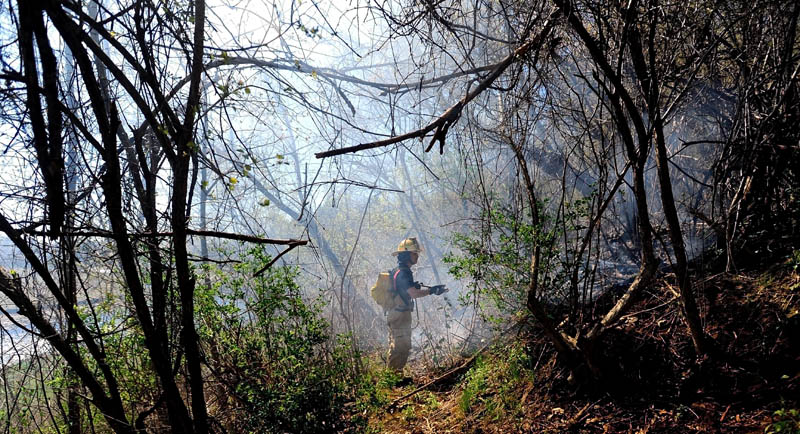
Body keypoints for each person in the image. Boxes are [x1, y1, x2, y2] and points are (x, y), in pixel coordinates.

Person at [386, 237, 448, 373]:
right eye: (415, 253)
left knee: (398, 344)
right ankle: (393, 380)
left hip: (397, 312)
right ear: (406, 254)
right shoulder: (403, 272)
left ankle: (394, 378)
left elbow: (404, 290)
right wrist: (432, 291)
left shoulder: (399, 270)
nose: (417, 256)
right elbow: (413, 294)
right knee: (401, 346)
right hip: (400, 314)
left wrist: (416, 286)